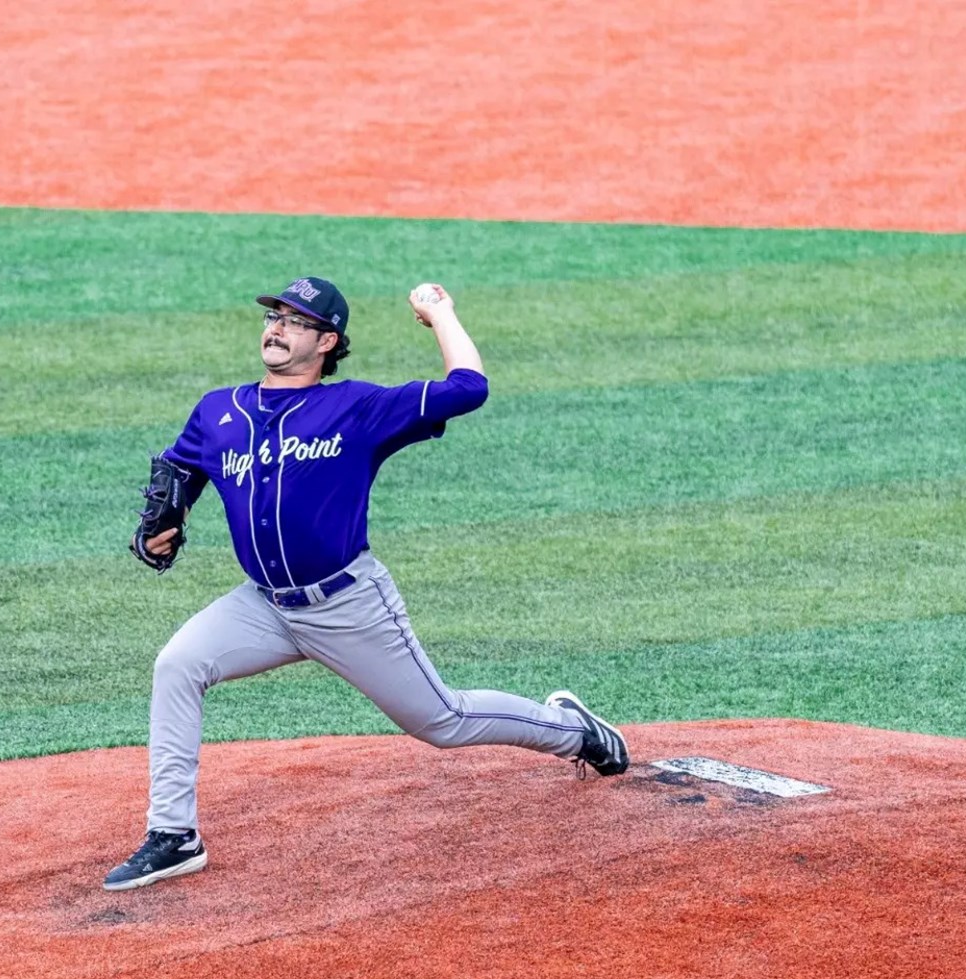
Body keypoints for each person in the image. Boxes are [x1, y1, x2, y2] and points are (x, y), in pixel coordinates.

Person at [104, 276, 628, 892]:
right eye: (273, 317)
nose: (277, 328)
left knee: (443, 721)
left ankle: (575, 730)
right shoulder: (220, 410)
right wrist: (165, 526)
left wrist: (441, 316)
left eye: (295, 322)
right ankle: (173, 835)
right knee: (178, 665)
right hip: (262, 607)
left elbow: (469, 388)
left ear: (327, 341)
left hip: (348, 604)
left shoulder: (357, 408)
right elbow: (182, 468)